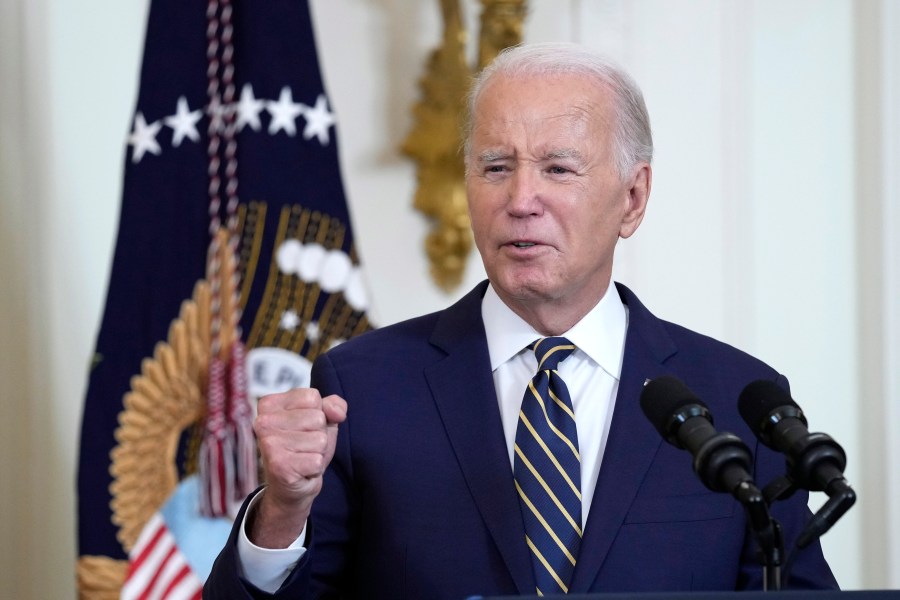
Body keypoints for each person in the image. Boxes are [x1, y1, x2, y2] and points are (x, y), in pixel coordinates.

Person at [204, 42, 837, 598]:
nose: (520, 201)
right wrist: (283, 511)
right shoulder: (363, 388)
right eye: (496, 168)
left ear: (633, 198)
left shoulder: (734, 404)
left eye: (558, 168)